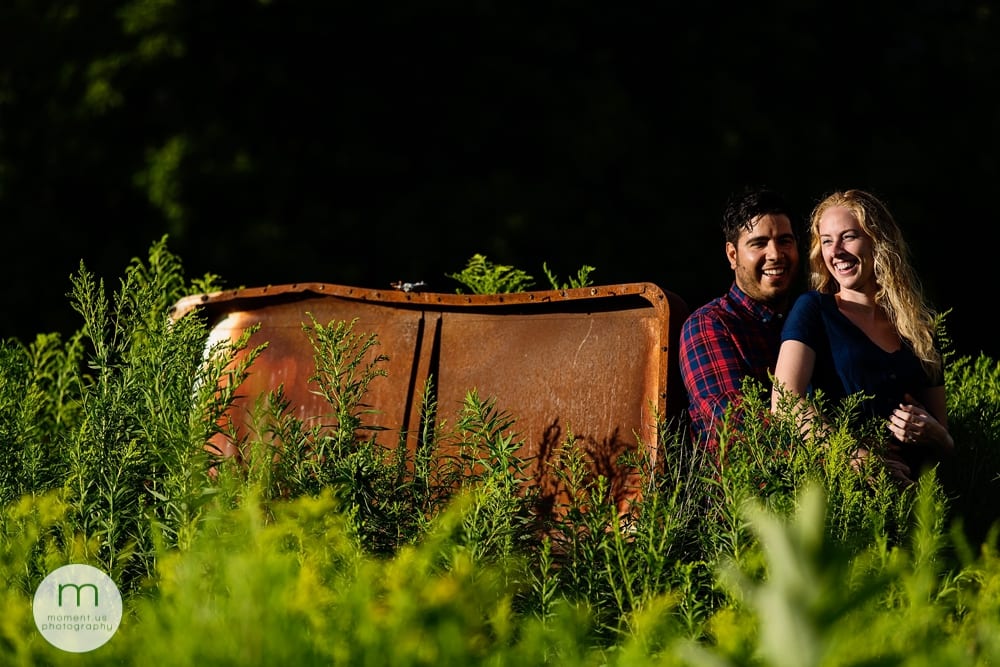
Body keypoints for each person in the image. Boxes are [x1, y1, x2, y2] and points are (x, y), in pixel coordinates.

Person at [770, 189, 954, 485]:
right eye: (826, 241)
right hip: (847, 495)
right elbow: (785, 403)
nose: (836, 251)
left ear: (877, 242)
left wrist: (938, 436)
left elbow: (944, 439)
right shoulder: (814, 310)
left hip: (918, 497)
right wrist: (857, 459)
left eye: (849, 236)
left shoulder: (918, 329)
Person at [679, 186, 802, 453]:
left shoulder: (810, 321)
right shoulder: (710, 325)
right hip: (746, 493)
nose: (775, 254)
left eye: (785, 240)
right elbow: (736, 428)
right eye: (759, 243)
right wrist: (838, 450)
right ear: (732, 255)